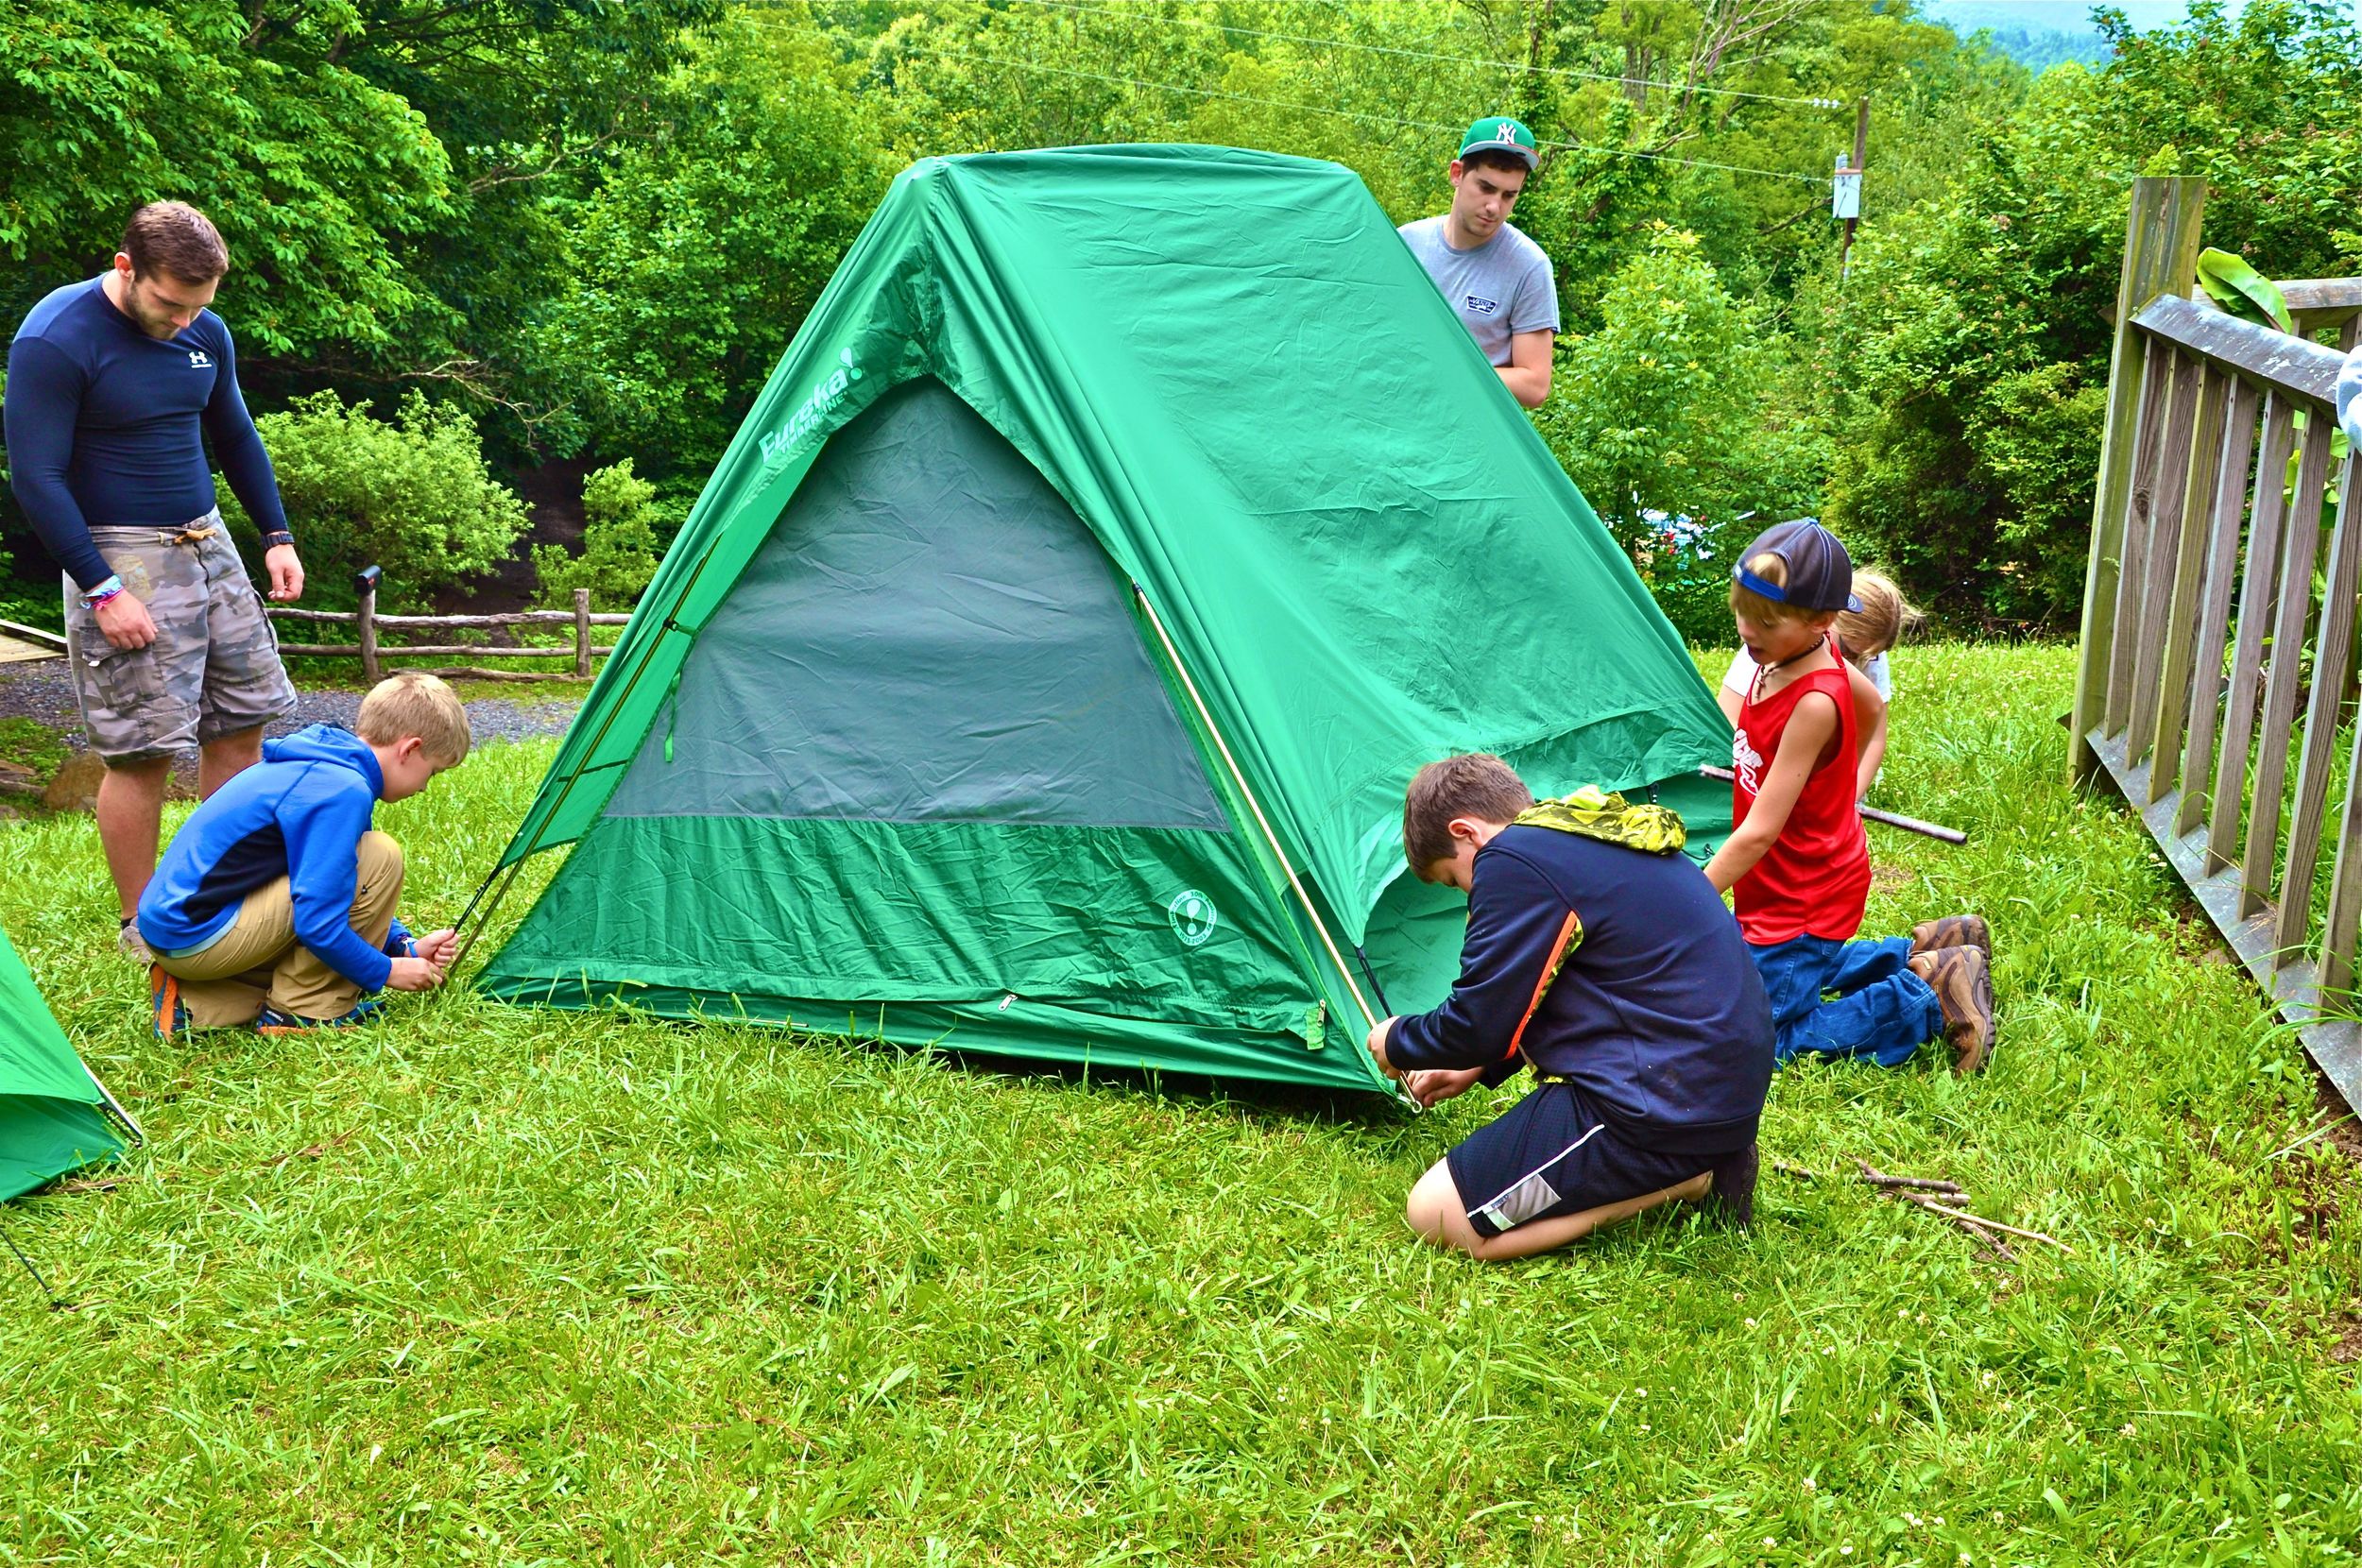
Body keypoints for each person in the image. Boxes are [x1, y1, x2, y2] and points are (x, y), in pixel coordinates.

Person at [4, 201, 306, 962]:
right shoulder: (56, 338)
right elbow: (35, 476)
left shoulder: (204, 329)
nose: (184, 321)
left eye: (199, 306)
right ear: (126, 268)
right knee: (141, 750)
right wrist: (103, 588)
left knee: (240, 724)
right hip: (120, 555)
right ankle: (147, 926)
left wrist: (275, 535)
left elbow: (233, 432)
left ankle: (220, 895)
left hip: (209, 542)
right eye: (171, 303)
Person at [1364, 756, 1774, 1261]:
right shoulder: (1582, 835)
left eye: (1454, 880)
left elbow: (1479, 1020)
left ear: (1465, 832)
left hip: (1659, 1105)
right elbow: (1572, 983)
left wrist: (1398, 1040)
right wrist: (1479, 1066)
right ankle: (1697, 1158)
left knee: (1436, 1215)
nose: (1466, 893)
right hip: (1717, 1087)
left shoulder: (1511, 859)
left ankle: (1686, 1180)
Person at [1702, 520, 1994, 1073]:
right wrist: (1844, 791)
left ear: (1820, 622)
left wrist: (1691, 896)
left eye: (1765, 620)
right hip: (1786, 881)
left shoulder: (1813, 699)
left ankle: (1928, 995)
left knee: (1757, 1038)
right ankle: (1931, 947)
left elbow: (1760, 831)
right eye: (1741, 610)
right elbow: (1874, 710)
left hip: (1800, 892)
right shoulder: (1797, 658)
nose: (1747, 629)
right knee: (1774, 967)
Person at [139, 673, 468, 1035]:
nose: (424, 787)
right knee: (381, 855)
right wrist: (385, 970)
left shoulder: (326, 765)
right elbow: (319, 924)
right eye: (432, 772)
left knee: (342, 874)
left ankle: (197, 1004)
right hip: (201, 935)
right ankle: (304, 1012)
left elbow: (334, 881)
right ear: (410, 749)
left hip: (177, 934)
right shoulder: (343, 790)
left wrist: (403, 946)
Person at [1397, 116, 1559, 408]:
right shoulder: (1405, 243)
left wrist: (1447, 371)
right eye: (1486, 188)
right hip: (1396, 416)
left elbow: (1534, 385)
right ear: (1457, 173)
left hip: (1471, 438)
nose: (1494, 207)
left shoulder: (1529, 266)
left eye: (1509, 195)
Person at [1720, 567, 1921, 800]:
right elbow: (1728, 716)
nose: (1857, 662)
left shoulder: (1868, 650)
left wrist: (1849, 798)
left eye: (1871, 657)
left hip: (1828, 770)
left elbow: (1875, 736)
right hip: (1762, 766)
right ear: (1826, 621)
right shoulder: (1767, 646)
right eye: (1848, 651)